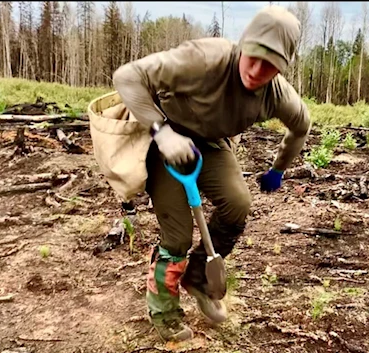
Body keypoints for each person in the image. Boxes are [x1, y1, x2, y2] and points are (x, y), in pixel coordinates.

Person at [111, 5, 311, 342]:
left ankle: (199, 277)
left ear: (283, 66)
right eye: (254, 56)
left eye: (271, 64)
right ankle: (164, 310)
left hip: (209, 142)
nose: (258, 70)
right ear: (243, 45)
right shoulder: (204, 60)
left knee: (237, 204)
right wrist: (162, 132)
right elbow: (127, 76)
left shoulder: (277, 95)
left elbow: (301, 127)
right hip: (166, 135)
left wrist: (278, 169)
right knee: (177, 235)